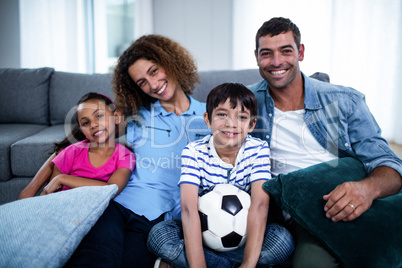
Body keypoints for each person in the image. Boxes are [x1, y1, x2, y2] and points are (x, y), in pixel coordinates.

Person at [249, 17, 402, 267]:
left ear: (300, 52)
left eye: (285, 51)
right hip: (294, 211)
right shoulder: (245, 102)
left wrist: (366, 189)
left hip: (349, 203)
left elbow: (389, 164)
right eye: (267, 53)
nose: (276, 62)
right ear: (256, 56)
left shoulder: (345, 100)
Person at [66, 35, 210, 267]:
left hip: (158, 221)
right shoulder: (137, 117)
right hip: (115, 206)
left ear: (170, 61)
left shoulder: (211, 117)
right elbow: (87, 134)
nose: (152, 85)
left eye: (153, 71)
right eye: (142, 82)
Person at [147, 83, 295, 268]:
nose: (230, 123)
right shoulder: (194, 151)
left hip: (246, 241)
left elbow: (259, 206)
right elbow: (188, 209)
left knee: (283, 240)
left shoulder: (258, 150)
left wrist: (248, 264)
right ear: (208, 120)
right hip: (201, 241)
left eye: (241, 117)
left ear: (251, 124)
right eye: (222, 114)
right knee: (158, 235)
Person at [38, 92, 134, 196]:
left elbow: (112, 189)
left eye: (99, 115)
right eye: (85, 123)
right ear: (82, 131)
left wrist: (62, 179)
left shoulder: (126, 156)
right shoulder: (71, 151)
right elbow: (50, 194)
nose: (93, 125)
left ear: (116, 117)